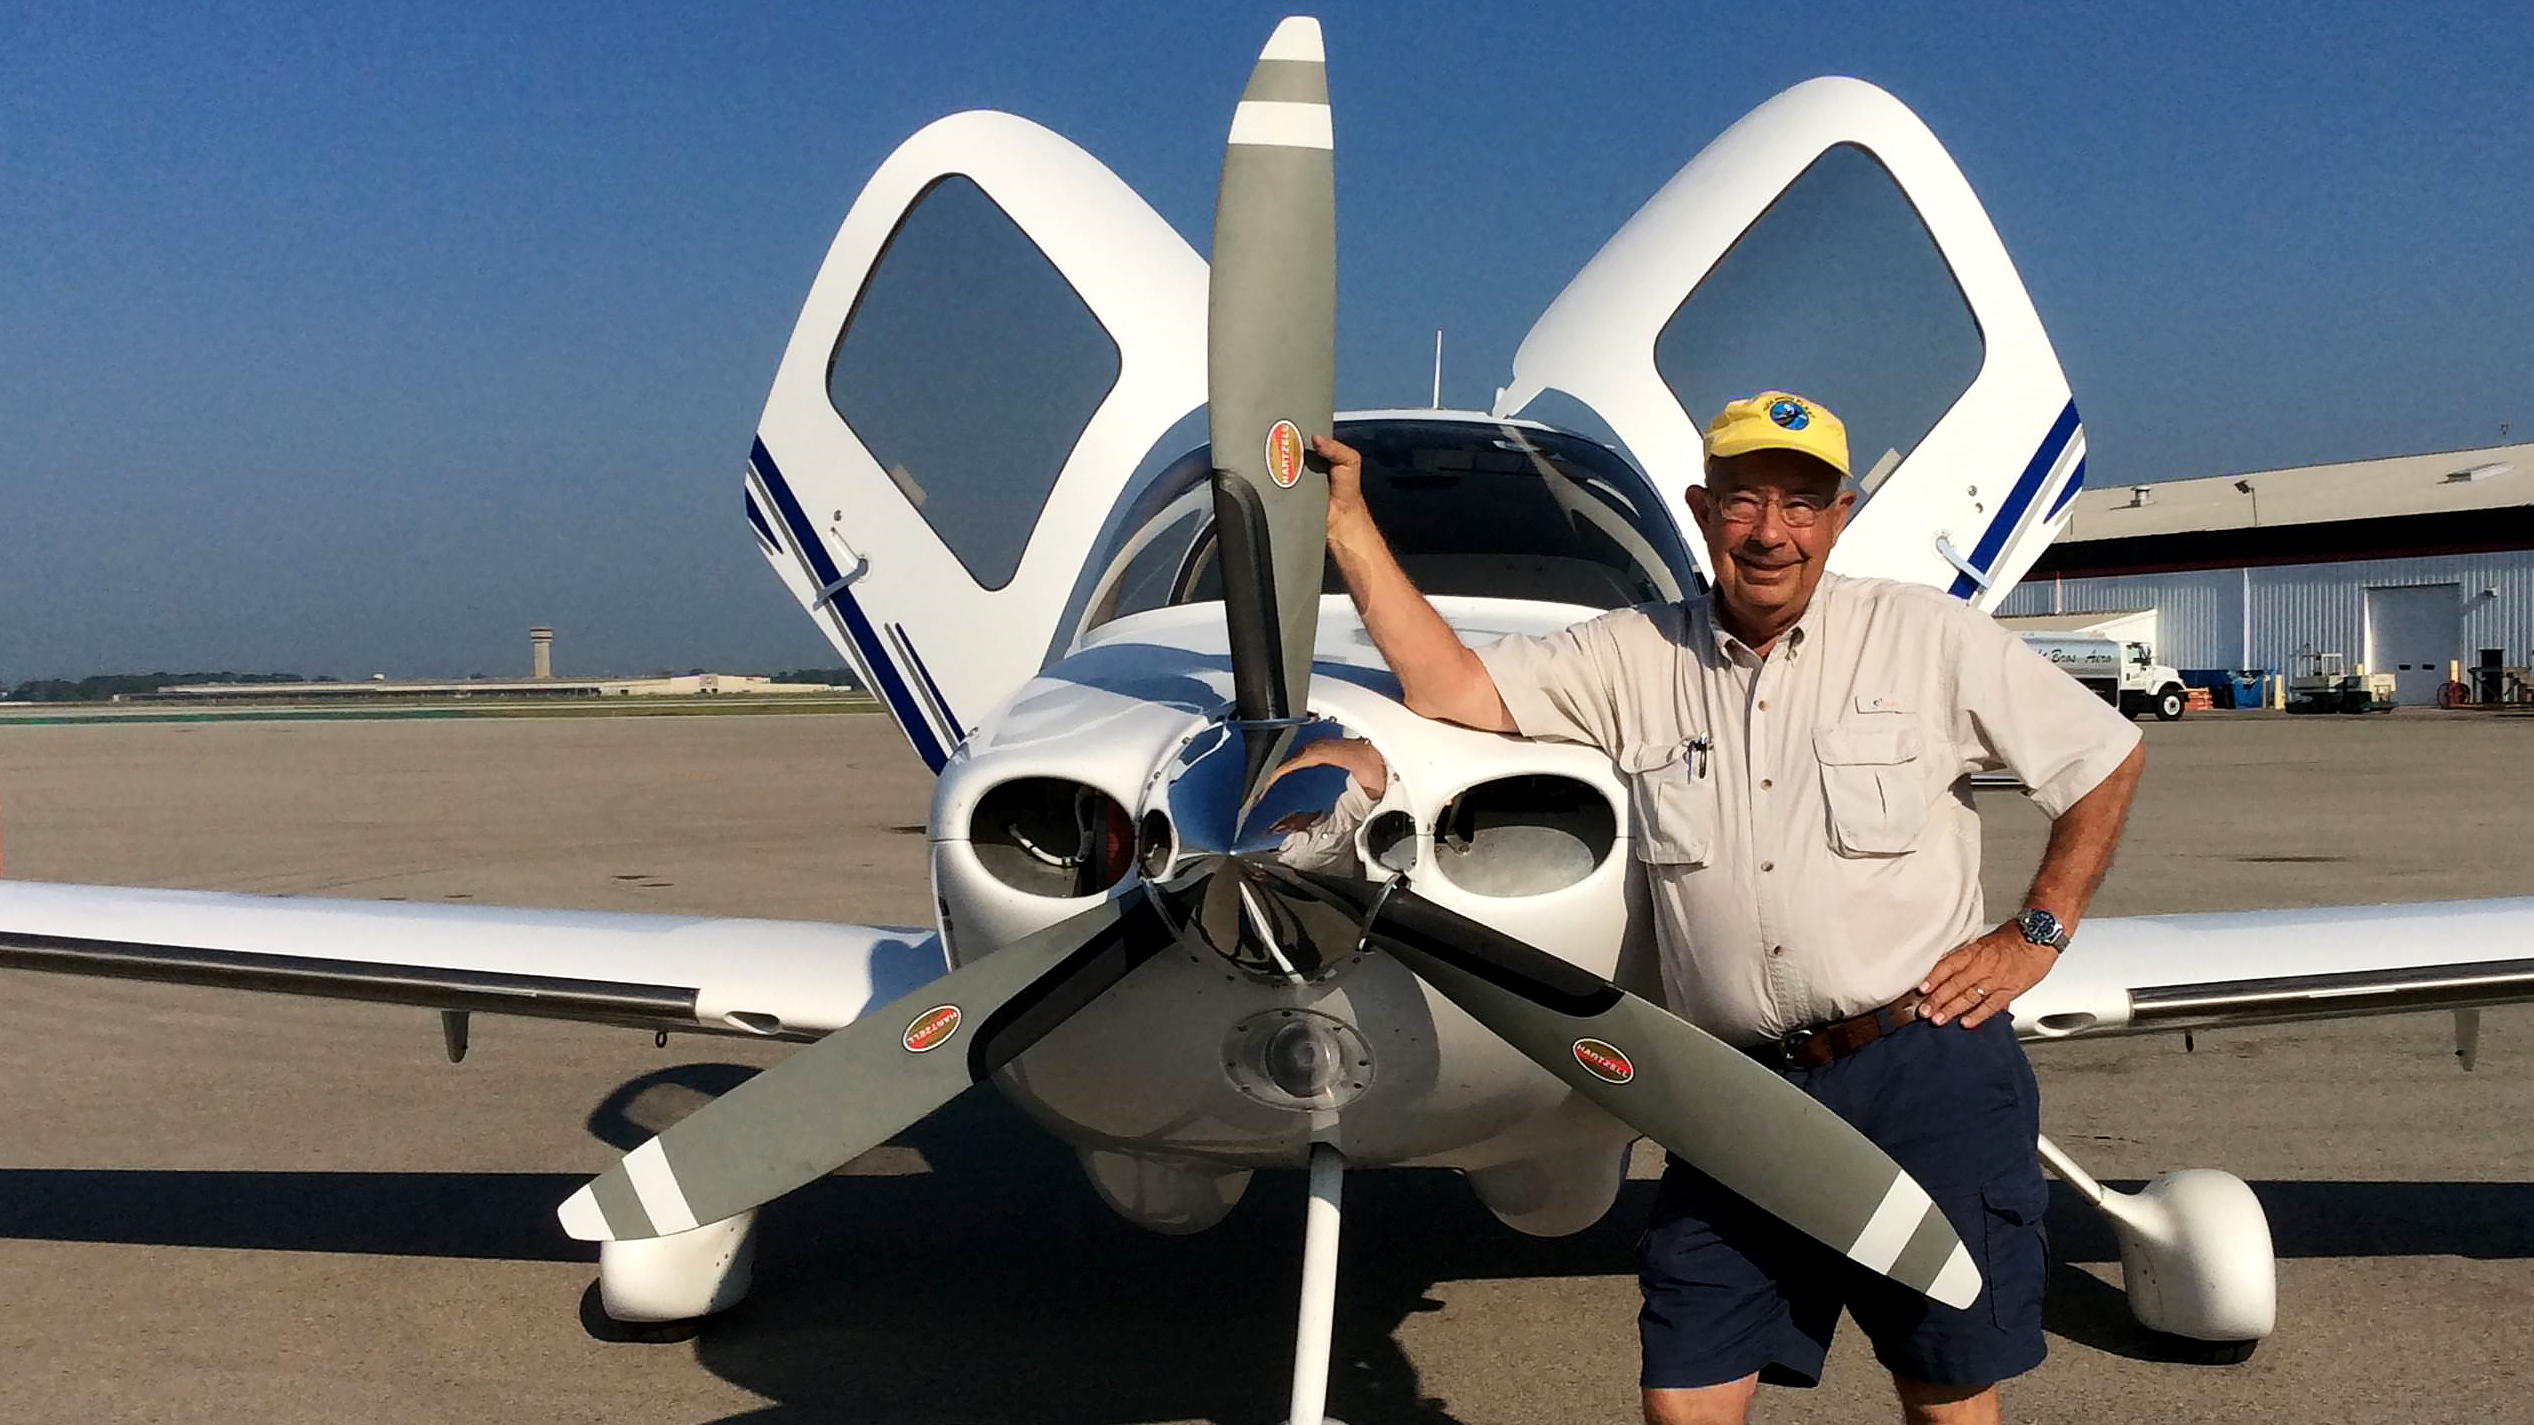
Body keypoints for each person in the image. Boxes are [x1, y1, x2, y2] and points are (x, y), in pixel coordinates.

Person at [1314, 392, 2144, 1425]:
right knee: (1684, 1392)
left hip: (1920, 1065)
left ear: (1838, 517)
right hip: (1731, 1092)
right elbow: (1453, 689)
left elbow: (2101, 758)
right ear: (1702, 513)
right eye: (1743, 501)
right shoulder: (1629, 656)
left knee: (1943, 1385)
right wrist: (1346, 526)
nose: (1769, 532)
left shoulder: (1926, 637)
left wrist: (2037, 931)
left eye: (1799, 505)